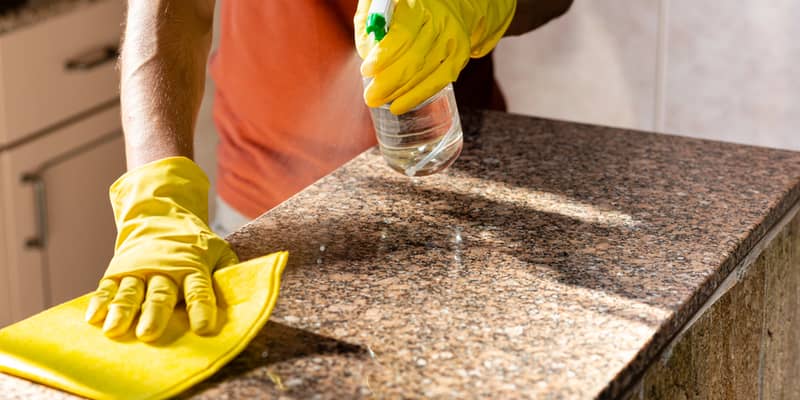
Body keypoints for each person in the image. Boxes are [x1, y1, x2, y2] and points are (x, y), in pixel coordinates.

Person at [83, 0, 573, 342]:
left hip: (461, 192)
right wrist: (157, 196)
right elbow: (170, 8)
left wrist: (472, 5)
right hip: (270, 211)